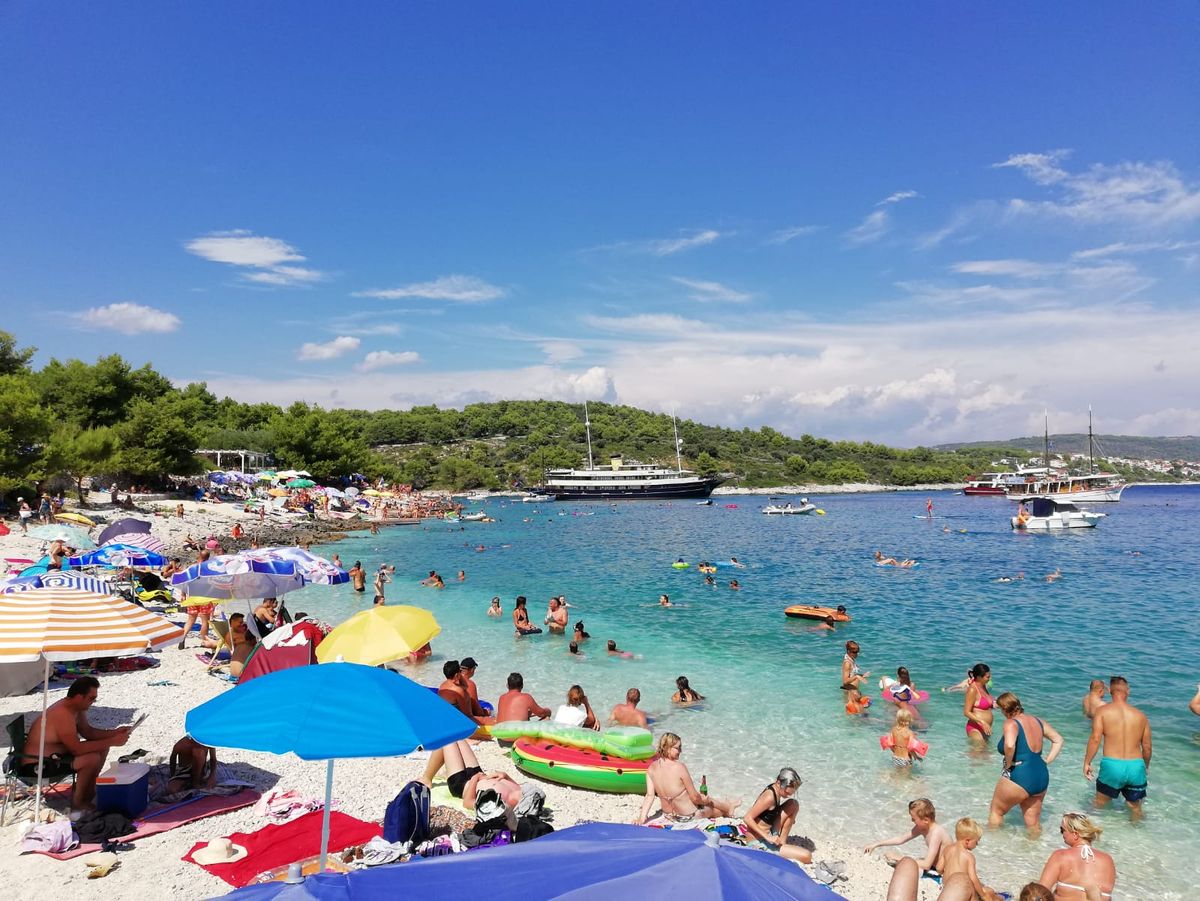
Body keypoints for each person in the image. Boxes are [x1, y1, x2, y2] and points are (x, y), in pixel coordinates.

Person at [21, 677, 131, 810]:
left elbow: (88, 732)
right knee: (91, 758)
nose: (93, 702)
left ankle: (88, 791)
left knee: (102, 747)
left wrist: (114, 733)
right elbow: (76, 749)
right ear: (79, 697)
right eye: (91, 698)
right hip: (38, 765)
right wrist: (113, 741)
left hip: (55, 757)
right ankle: (78, 802)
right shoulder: (63, 714)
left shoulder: (76, 709)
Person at [988, 691, 1064, 831]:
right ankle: (1035, 850)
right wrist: (1046, 761)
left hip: (1020, 775)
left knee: (996, 812)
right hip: (1041, 776)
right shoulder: (1038, 721)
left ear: (1005, 709)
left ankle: (992, 848)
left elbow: (1010, 745)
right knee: (1033, 823)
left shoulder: (1011, 723)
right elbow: (1058, 739)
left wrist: (1009, 765)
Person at [1084, 675, 1151, 821]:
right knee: (1136, 808)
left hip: (1112, 765)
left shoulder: (1102, 711)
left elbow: (1095, 739)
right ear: (1128, 691)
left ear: (1110, 691)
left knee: (1099, 804)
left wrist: (1087, 762)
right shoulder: (1141, 716)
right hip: (1136, 766)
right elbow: (1146, 746)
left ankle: (1087, 836)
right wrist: (1145, 766)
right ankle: (1138, 838)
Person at [637, 732, 739, 823]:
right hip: (689, 817)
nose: (680, 751)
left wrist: (642, 818)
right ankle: (728, 809)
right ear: (667, 748)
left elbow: (650, 796)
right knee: (711, 807)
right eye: (678, 748)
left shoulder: (651, 768)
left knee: (706, 801)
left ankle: (728, 806)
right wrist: (705, 801)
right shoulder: (679, 767)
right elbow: (694, 798)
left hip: (669, 816)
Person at [1037, 812, 1117, 900]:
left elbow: (1041, 892)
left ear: (1075, 834)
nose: (1062, 834)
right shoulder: (1107, 860)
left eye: (1062, 830)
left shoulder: (1061, 855)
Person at [741, 767, 811, 863]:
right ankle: (780, 849)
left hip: (769, 830)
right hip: (758, 842)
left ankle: (782, 842)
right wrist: (768, 837)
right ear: (778, 783)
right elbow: (747, 818)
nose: (788, 795)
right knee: (806, 856)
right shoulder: (769, 797)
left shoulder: (775, 789)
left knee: (793, 804)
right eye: (787, 792)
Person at [863, 797, 951, 872]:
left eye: (913, 819)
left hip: (944, 870)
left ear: (926, 820)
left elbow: (927, 864)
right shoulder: (923, 827)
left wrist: (899, 857)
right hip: (933, 866)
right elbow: (900, 839)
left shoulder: (936, 833)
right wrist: (876, 844)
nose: (912, 821)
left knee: (906, 864)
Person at [939, 818, 1004, 901]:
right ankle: (1001, 898)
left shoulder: (947, 849)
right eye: (976, 842)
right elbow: (973, 879)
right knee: (989, 891)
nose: (977, 845)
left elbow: (939, 868)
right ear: (967, 841)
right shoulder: (968, 856)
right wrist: (983, 895)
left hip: (947, 888)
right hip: (963, 889)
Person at [437, 660, 491, 725]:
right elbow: (467, 716)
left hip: (448, 717)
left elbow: (465, 686)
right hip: (459, 721)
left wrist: (459, 676)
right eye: (460, 671)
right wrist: (485, 716)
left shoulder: (442, 685)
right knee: (492, 721)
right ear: (457, 674)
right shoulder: (459, 690)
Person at [963, 663, 994, 743]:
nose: (990, 679)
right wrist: (982, 722)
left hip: (985, 728)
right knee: (979, 753)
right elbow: (966, 712)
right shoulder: (973, 689)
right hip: (975, 728)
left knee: (985, 754)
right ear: (979, 677)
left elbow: (986, 705)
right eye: (987, 677)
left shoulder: (983, 686)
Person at [841, 640, 870, 704]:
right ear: (848, 651)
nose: (857, 654)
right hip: (850, 693)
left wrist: (862, 675)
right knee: (861, 712)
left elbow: (851, 675)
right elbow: (845, 681)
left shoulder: (851, 660)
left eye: (857, 652)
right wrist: (857, 676)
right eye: (855, 652)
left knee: (864, 711)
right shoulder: (847, 663)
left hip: (854, 691)